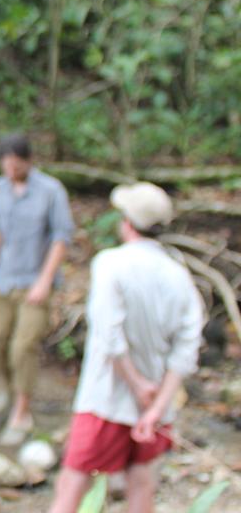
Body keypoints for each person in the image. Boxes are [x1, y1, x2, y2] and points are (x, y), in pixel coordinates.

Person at [48, 183, 204, 513]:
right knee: (142, 482)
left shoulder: (110, 263)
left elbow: (109, 338)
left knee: (72, 485)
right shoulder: (179, 274)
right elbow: (186, 350)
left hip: (105, 400)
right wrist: (157, 407)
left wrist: (136, 386)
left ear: (127, 222)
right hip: (156, 405)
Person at [0, 133, 74, 444]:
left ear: (28, 161)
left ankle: (22, 411)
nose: (10, 169)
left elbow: (61, 238)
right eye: (5, 163)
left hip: (35, 281)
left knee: (23, 347)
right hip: (4, 277)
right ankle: (8, 390)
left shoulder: (50, 191)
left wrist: (45, 281)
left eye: (16, 163)